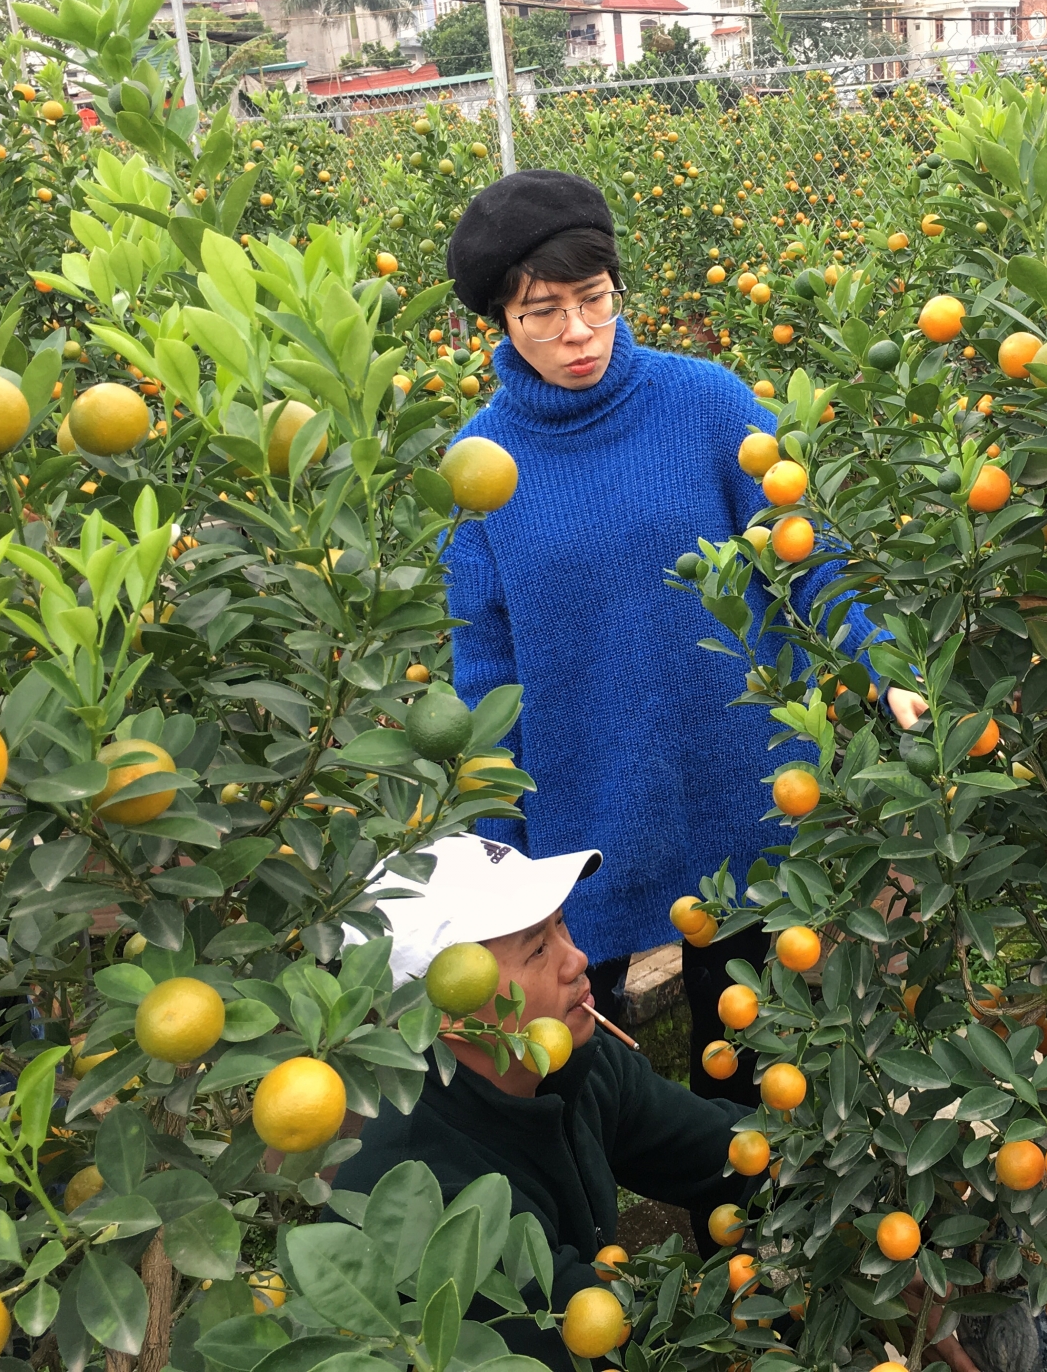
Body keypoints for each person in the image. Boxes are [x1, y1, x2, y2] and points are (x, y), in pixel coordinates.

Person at [440, 169, 872, 1101]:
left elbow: (806, 554)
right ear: (499, 322)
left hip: (739, 772)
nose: (578, 332)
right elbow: (483, 671)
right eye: (543, 313)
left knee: (752, 1051)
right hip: (587, 792)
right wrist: (497, 852)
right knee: (571, 1063)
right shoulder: (480, 469)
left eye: (594, 299)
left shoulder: (705, 403)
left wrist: (881, 665)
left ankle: (748, 1192)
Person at [332, 834, 758, 1368]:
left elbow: (721, 1150)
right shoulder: (429, 1197)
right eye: (536, 949)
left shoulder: (575, 1061)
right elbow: (599, 1343)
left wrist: (833, 1160)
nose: (577, 959)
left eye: (561, 925)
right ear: (446, 1011)